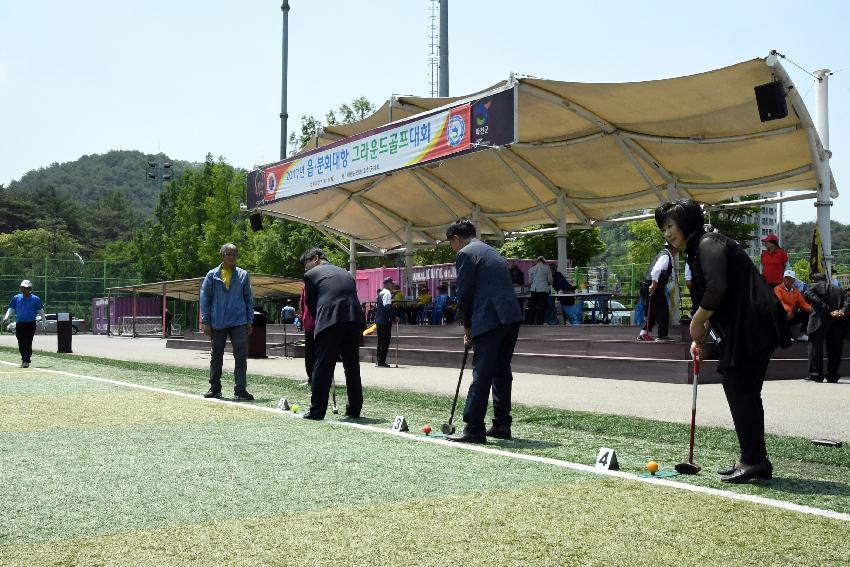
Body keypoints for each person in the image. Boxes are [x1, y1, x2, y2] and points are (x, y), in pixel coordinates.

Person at [657, 199, 789, 484]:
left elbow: (718, 288)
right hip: (743, 324)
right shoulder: (695, 251)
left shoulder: (707, 243)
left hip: (753, 321)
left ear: (686, 222)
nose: (667, 234)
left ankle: (755, 460)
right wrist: (700, 334)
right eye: (663, 228)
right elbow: (708, 298)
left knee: (739, 386)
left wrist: (696, 323)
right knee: (741, 387)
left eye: (670, 226)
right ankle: (753, 458)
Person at [444, 219, 523, 443]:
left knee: (482, 373)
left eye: (451, 243)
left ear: (456, 239)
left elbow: (465, 293)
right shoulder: (492, 252)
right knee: (501, 371)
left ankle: (474, 427)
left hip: (489, 318)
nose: (453, 248)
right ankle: (501, 424)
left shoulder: (466, 253)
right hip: (510, 317)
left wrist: (467, 327)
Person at [300, 247, 365, 420]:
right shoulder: (346, 273)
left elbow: (311, 304)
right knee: (352, 366)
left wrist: (320, 322)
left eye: (306, 265)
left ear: (315, 259)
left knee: (323, 366)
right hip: (354, 320)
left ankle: (317, 411)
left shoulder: (311, 275)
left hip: (330, 320)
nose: (305, 269)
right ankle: (354, 409)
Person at [200, 243, 255, 400]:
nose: (232, 257)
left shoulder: (244, 275)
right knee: (216, 355)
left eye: (234, 254)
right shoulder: (212, 275)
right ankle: (215, 388)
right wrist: (206, 321)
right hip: (217, 322)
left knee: (241, 355)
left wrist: (249, 321)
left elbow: (248, 299)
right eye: (229, 254)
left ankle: (240, 389)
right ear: (222, 256)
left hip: (239, 321)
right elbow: (205, 299)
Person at [804, 272, 848, 383]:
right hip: (837, 322)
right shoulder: (839, 289)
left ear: (814, 280)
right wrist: (841, 311)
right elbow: (848, 301)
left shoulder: (812, 287)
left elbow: (812, 298)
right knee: (835, 350)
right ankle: (832, 375)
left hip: (818, 321)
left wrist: (828, 310)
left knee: (815, 349)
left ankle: (816, 374)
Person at [637, 243, 678, 342]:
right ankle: (662, 336)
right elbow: (656, 271)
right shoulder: (665, 256)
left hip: (649, 285)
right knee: (663, 310)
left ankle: (643, 333)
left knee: (653, 310)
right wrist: (654, 284)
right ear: (674, 248)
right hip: (654, 286)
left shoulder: (662, 254)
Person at [3, 280, 46, 368]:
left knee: (28, 341)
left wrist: (44, 321)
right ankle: (24, 358)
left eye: (25, 287)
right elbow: (11, 308)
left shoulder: (35, 299)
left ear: (29, 288)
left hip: (31, 324)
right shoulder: (16, 298)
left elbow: (40, 311)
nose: (23, 289)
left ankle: (26, 360)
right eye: (22, 287)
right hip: (20, 324)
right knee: (21, 342)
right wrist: (6, 317)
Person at [773, 270, 811, 341]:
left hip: (792, 315)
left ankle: (802, 334)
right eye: (786, 278)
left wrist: (813, 309)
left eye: (790, 278)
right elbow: (780, 302)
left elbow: (803, 304)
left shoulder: (796, 291)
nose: (788, 280)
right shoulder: (777, 289)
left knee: (807, 312)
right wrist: (789, 310)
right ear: (783, 279)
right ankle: (787, 335)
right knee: (784, 313)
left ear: (794, 280)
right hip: (781, 315)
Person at [375, 277, 397, 367]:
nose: (393, 286)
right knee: (385, 341)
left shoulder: (381, 293)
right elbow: (387, 307)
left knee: (380, 341)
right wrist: (394, 317)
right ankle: (381, 361)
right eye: (392, 284)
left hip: (379, 320)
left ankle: (378, 360)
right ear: (388, 284)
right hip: (385, 321)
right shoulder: (387, 293)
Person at [527, 256, 552, 325]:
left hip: (534, 289)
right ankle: (539, 322)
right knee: (541, 306)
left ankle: (531, 322)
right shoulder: (547, 268)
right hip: (543, 289)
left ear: (537, 261)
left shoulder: (531, 269)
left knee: (532, 306)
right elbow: (550, 280)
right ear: (544, 261)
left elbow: (529, 281)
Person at [298, 284, 315, 385]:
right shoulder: (306, 287)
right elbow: (303, 304)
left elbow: (303, 304)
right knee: (311, 353)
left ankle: (314, 378)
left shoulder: (308, 286)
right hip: (311, 323)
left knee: (312, 353)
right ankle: (312, 378)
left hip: (315, 323)